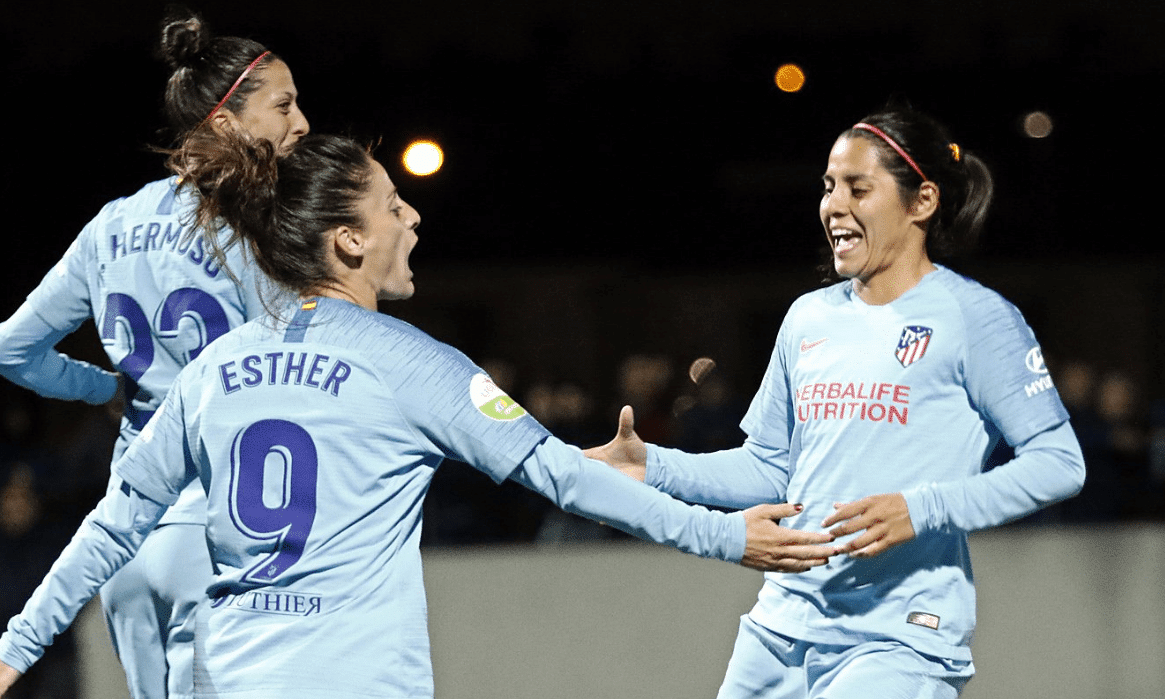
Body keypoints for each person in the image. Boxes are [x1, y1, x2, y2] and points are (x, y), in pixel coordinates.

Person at [0, 131, 841, 699]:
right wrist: (723, 535)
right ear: (349, 240)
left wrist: (13, 648)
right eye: (393, 205)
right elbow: (558, 479)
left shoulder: (214, 370)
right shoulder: (410, 363)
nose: (413, 217)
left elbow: (113, 525)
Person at [585, 106, 1086, 697]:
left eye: (857, 188)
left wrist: (922, 509)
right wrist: (654, 466)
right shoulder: (809, 317)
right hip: (780, 629)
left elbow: (1059, 463)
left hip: (898, 638)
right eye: (828, 187)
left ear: (922, 202)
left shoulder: (977, 318)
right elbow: (773, 467)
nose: (833, 206)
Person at [0, 9, 308, 699]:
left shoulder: (111, 224)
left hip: (126, 542)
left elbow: (11, 349)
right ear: (226, 121)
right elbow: (299, 380)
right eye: (284, 105)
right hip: (224, 534)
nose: (302, 123)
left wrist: (101, 388)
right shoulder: (259, 226)